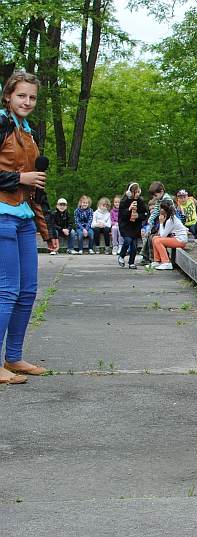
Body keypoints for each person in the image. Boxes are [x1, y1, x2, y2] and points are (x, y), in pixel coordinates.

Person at [0, 70, 55, 382]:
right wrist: (20, 178)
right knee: (6, 290)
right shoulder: (1, 123)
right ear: (9, 96)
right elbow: (23, 179)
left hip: (23, 220)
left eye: (32, 97)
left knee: (28, 290)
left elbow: (36, 187)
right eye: (22, 95)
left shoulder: (29, 132)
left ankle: (14, 358)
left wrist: (47, 231)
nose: (27, 101)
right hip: (1, 215)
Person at [117, 183, 150, 269]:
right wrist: (129, 209)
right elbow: (121, 214)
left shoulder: (140, 201)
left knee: (134, 246)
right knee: (127, 240)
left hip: (135, 226)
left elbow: (145, 214)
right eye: (135, 192)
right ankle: (121, 255)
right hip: (125, 225)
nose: (137, 194)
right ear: (129, 192)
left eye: (138, 192)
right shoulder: (124, 201)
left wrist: (138, 216)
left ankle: (131, 262)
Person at [150, 199, 188, 271]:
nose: (159, 209)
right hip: (175, 238)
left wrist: (161, 222)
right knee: (155, 238)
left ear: (164, 210)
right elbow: (161, 234)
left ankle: (166, 262)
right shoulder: (168, 218)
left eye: (161, 208)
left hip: (180, 240)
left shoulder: (171, 219)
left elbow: (163, 235)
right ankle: (157, 261)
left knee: (158, 241)